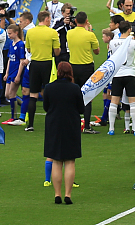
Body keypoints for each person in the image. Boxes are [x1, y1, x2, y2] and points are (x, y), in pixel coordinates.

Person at [41, 60, 83, 204]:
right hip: (71, 124)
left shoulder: (49, 88)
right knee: (70, 160)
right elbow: (81, 108)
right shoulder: (75, 88)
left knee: (56, 160)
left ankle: (57, 194)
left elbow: (46, 107)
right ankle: (68, 195)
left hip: (54, 124)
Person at [25, 9, 62, 132]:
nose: (50, 21)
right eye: (49, 19)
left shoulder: (30, 32)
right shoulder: (52, 33)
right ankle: (52, 122)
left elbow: (28, 50)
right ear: (46, 19)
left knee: (33, 95)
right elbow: (57, 52)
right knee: (49, 93)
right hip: (47, 64)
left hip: (34, 65)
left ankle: (30, 124)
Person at [67, 12, 101, 133]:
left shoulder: (69, 33)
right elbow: (97, 51)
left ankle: (73, 123)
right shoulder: (90, 35)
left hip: (73, 66)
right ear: (86, 21)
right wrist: (90, 31)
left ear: (75, 21)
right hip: (86, 67)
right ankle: (86, 126)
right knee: (88, 96)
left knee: (73, 95)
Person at [108, 20, 135, 135]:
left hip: (117, 74)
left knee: (114, 102)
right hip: (130, 74)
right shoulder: (133, 42)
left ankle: (111, 129)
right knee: (133, 102)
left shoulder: (113, 42)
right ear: (129, 30)